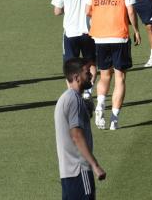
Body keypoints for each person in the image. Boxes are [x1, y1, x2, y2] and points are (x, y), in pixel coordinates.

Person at [86, 0, 140, 130]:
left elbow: (88, 10)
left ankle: (101, 103)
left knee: (104, 75)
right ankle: (114, 119)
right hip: (119, 35)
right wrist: (137, 30)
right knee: (120, 78)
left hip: (100, 36)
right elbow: (131, 10)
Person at [55, 57, 106, 200]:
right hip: (79, 170)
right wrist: (95, 165)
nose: (90, 74)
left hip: (69, 173)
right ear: (76, 77)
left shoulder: (68, 98)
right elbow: (76, 135)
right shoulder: (73, 100)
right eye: (86, 72)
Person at [51, 0, 96, 99]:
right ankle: (89, 91)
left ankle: (73, 94)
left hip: (70, 32)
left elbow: (57, 11)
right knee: (90, 62)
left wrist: (67, 8)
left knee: (70, 66)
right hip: (89, 30)